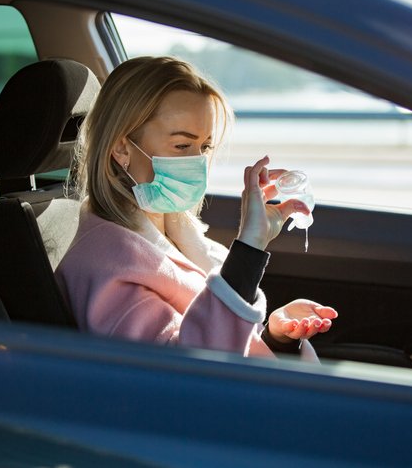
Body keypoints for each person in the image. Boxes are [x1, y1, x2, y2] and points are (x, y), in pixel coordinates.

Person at [56, 56, 337, 360]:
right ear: (122, 148)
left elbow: (222, 338)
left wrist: (276, 337)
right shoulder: (105, 265)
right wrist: (249, 248)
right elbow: (189, 376)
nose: (197, 162)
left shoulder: (181, 238)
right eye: (181, 146)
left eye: (203, 147)